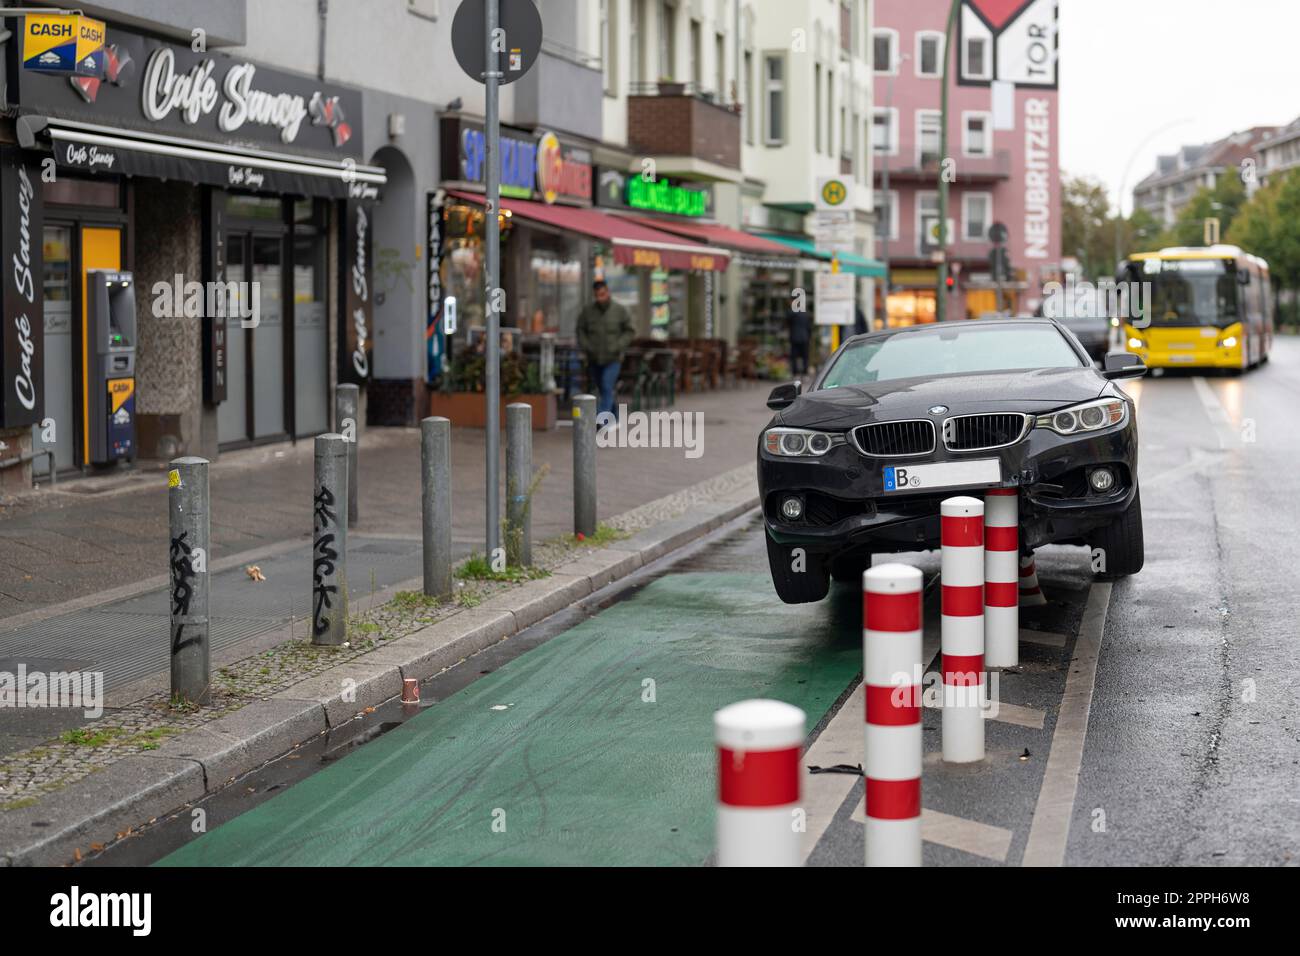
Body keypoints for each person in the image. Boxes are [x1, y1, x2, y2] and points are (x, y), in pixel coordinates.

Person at [576, 280, 634, 419]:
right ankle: (615, 415)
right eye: (597, 295)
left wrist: (619, 345)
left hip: (613, 358)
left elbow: (629, 331)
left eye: (602, 294)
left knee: (607, 386)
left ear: (608, 292)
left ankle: (601, 419)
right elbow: (580, 330)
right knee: (602, 388)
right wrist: (586, 346)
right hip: (594, 357)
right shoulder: (588, 311)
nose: (600, 298)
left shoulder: (620, 311)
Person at [787, 303, 811, 376]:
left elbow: (788, 323)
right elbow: (809, 327)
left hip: (795, 338)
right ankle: (805, 373)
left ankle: (795, 373)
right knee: (805, 357)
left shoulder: (792, 314)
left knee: (794, 356)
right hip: (804, 338)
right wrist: (809, 337)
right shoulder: (805, 315)